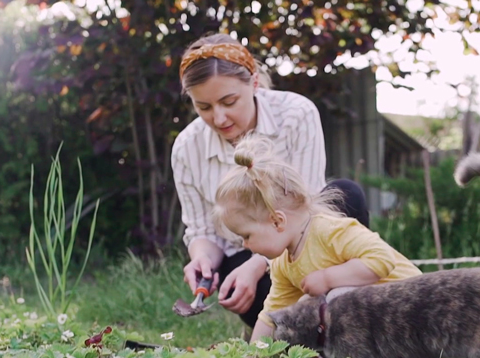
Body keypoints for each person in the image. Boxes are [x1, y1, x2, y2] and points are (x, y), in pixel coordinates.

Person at [171, 32, 370, 329]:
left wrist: (258, 266)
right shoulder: (187, 147)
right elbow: (202, 231)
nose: (220, 118)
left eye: (229, 101)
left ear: (253, 82)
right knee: (264, 301)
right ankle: (298, 339)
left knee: (346, 195)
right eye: (205, 107)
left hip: (306, 243)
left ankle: (351, 319)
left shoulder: (296, 114)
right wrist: (202, 259)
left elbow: (309, 210)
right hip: (246, 253)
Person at [211, 135, 423, 342]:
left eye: (246, 236)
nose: (245, 245)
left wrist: (327, 278)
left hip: (414, 307)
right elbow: (271, 316)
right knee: (307, 308)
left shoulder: (329, 231)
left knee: (333, 299)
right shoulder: (283, 264)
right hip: (380, 317)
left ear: (277, 221)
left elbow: (381, 259)